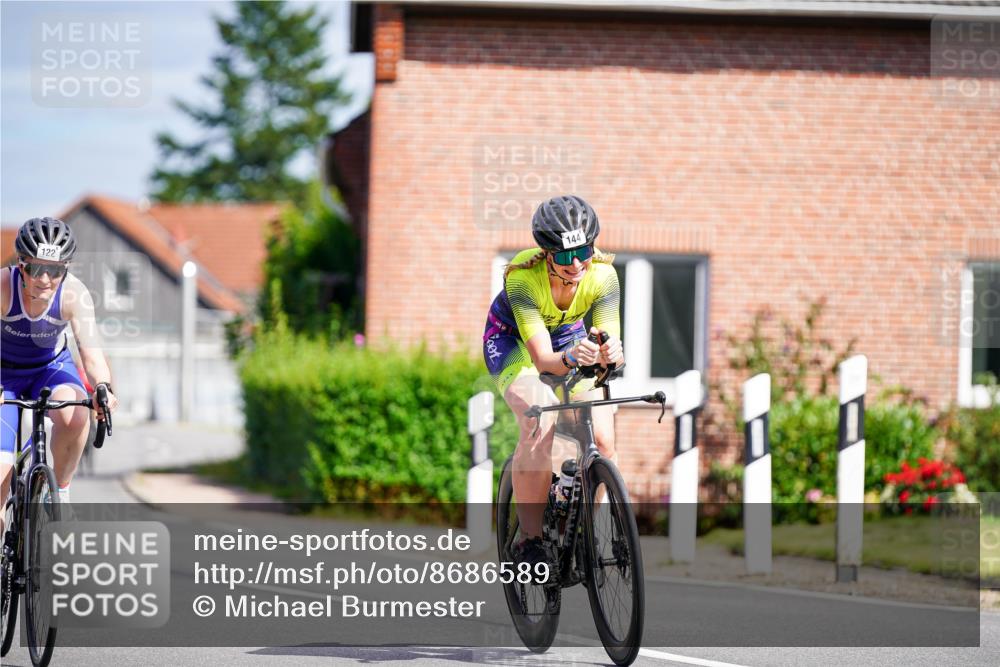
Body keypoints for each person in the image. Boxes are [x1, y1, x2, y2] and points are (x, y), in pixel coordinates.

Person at [482, 195, 623, 566]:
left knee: (604, 438)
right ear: (546, 254)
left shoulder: (604, 275)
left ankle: (588, 535)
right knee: (540, 415)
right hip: (513, 341)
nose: (576, 264)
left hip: (567, 338)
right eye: (563, 257)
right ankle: (529, 540)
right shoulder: (523, 279)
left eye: (583, 252)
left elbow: (607, 338)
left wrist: (609, 354)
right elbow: (544, 360)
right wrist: (572, 357)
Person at [1, 217, 118, 534]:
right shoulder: (3, 288)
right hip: (4, 377)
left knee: (75, 412)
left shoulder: (74, 294)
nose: (45, 279)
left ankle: (61, 491)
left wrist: (102, 388)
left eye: (55, 270)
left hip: (50, 369)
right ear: (21, 264)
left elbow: (91, 353)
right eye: (36, 268)